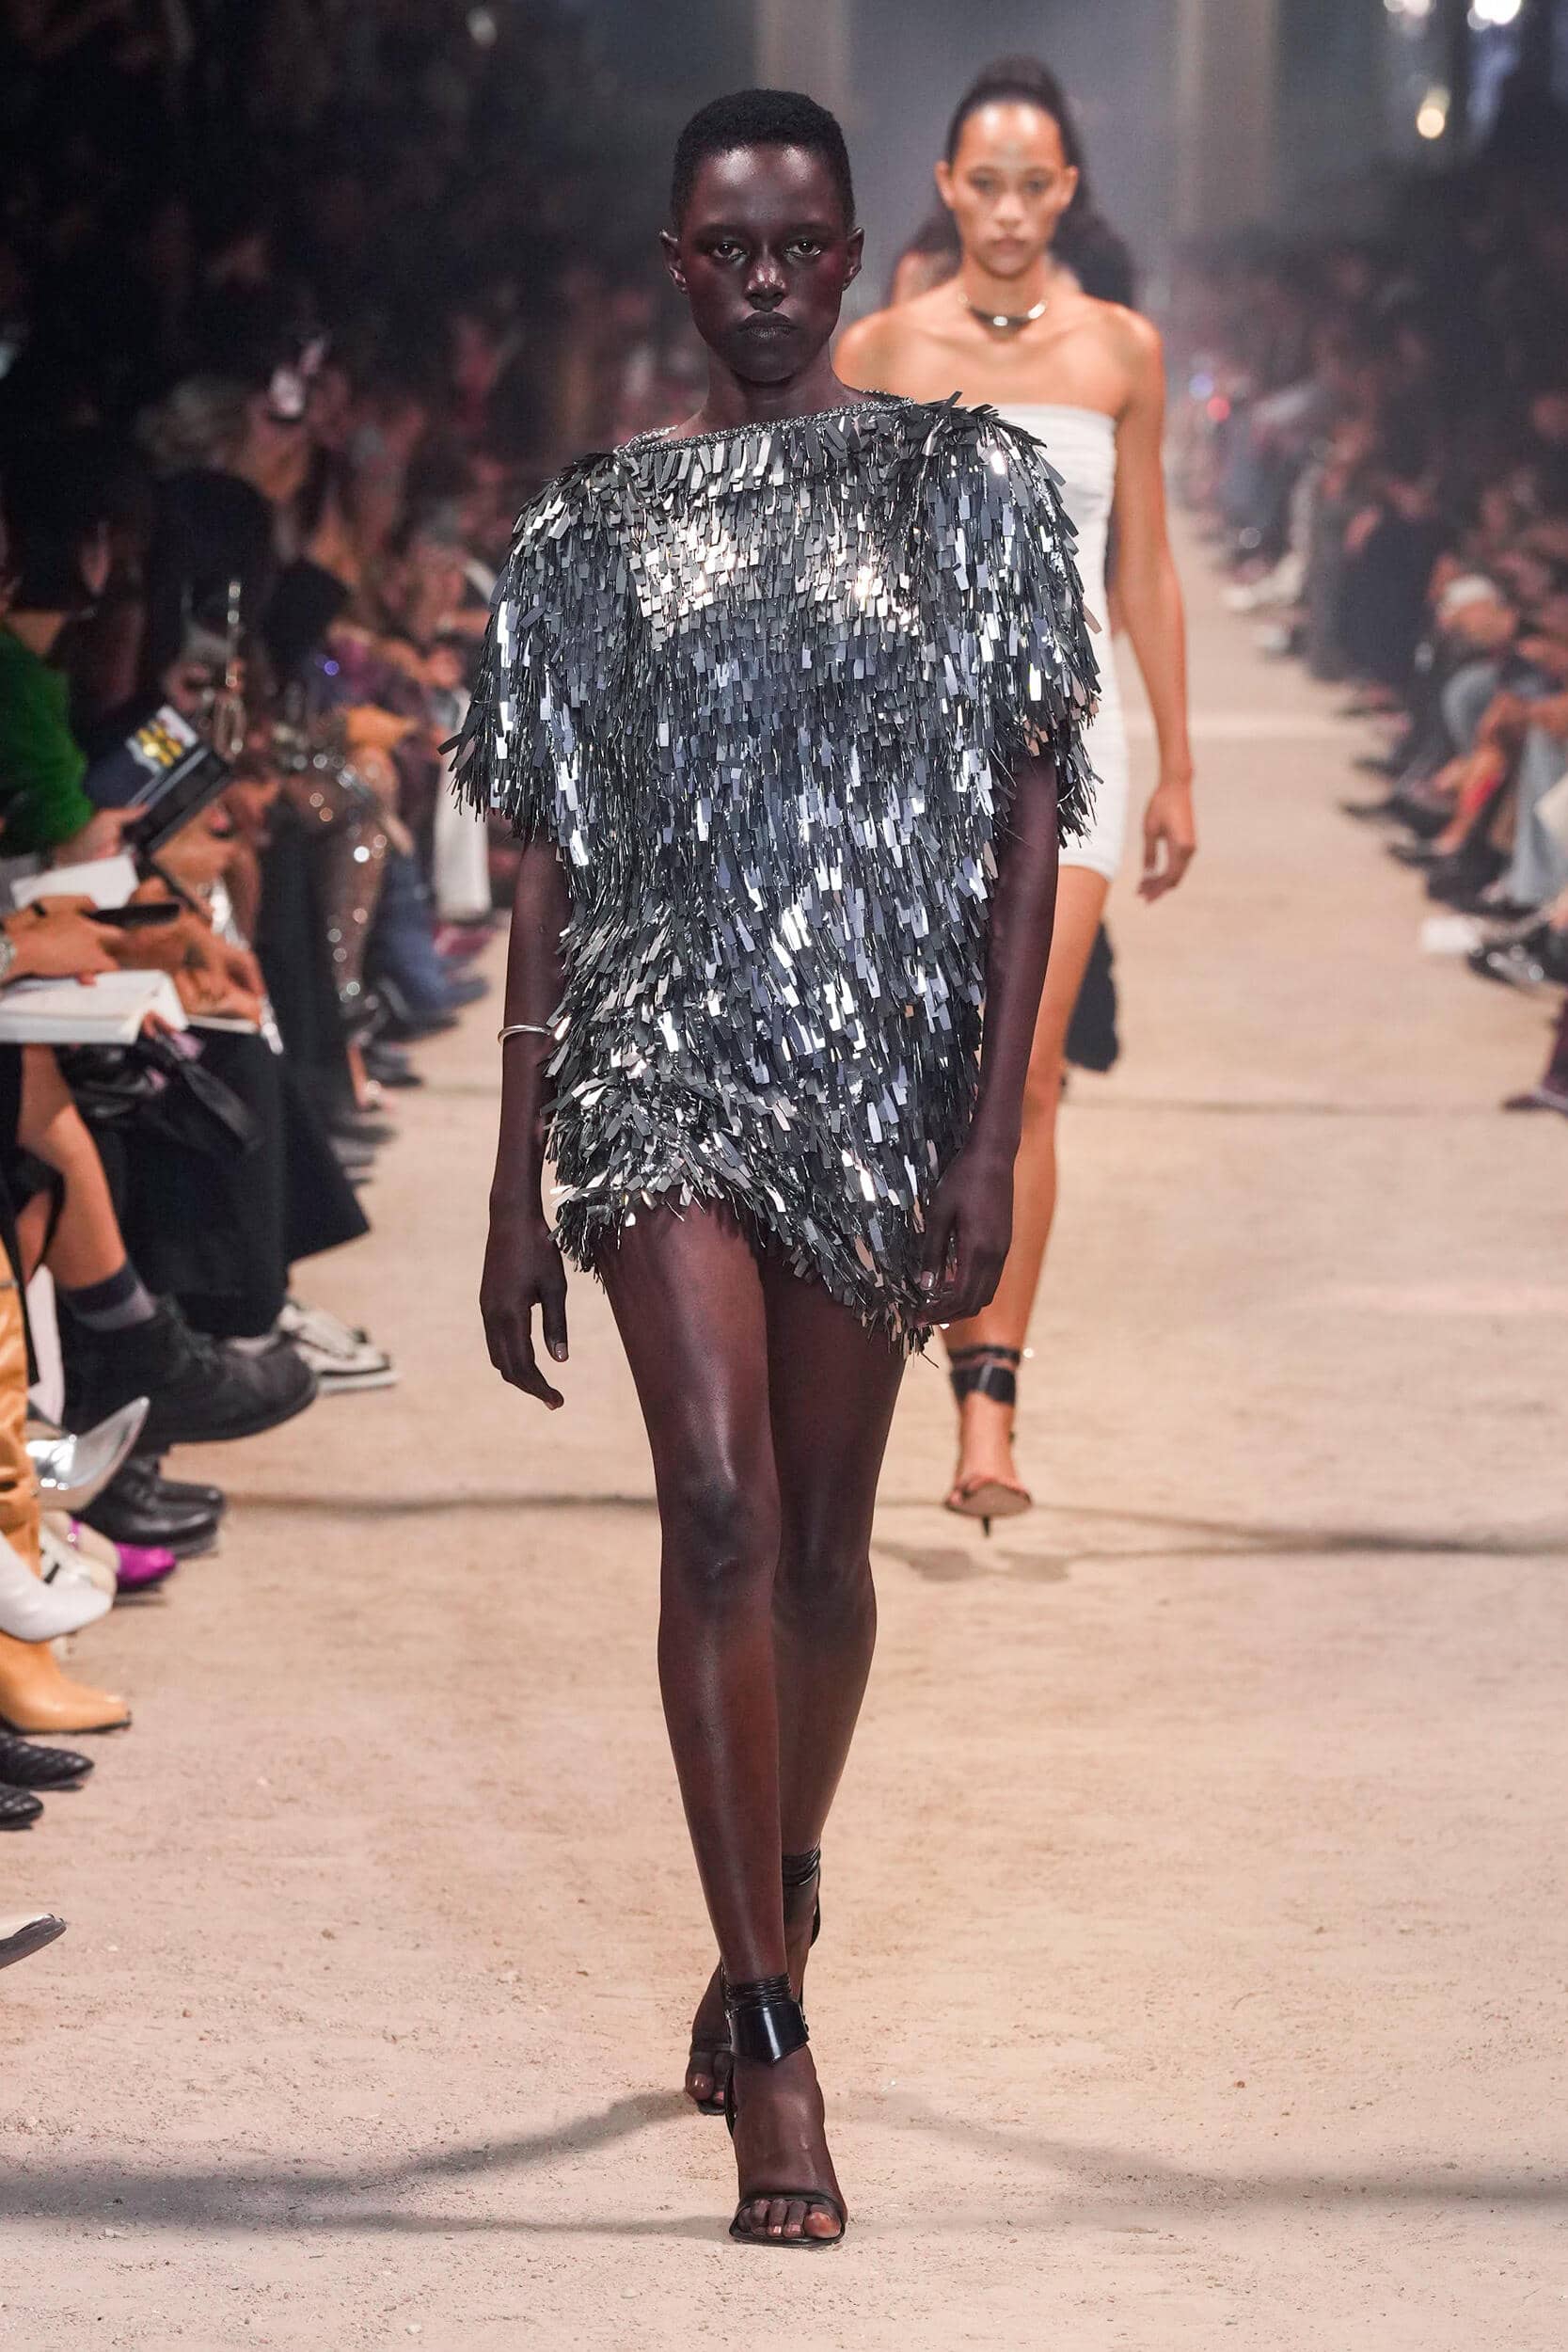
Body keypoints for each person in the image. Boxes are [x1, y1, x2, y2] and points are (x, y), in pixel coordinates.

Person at [459, 88, 1097, 2249]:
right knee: (719, 1504)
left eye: (795, 244)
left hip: (875, 1073)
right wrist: (513, 1172)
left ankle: (782, 1868)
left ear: (849, 256)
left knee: (821, 1549)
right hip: (656, 1065)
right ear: (675, 264)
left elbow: (1031, 819)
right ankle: (769, 2021)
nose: (759, 278)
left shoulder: (970, 489)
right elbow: (537, 864)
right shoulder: (590, 530)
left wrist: (993, 1127)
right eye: (722, 246)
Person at [839, 56, 1196, 1527]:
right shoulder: (881, 350)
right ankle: (891, 1361)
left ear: (1065, 191)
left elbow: (1145, 567)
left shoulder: (1121, 351)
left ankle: (989, 1409)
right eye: (979, 183)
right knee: (924, 1072)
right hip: (917, 755)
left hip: (1078, 741)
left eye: (1028, 184)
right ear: (946, 188)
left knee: (1029, 1075)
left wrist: (1180, 764)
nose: (1002, 208)